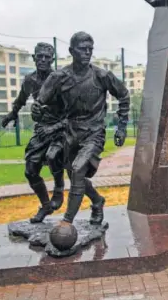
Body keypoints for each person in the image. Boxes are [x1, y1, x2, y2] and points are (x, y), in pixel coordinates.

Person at [34, 32, 130, 226]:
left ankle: (66, 223)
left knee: (78, 170)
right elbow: (39, 106)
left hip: (94, 133)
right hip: (70, 134)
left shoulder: (102, 75)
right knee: (70, 172)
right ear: (71, 51)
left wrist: (121, 127)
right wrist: (36, 110)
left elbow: (124, 95)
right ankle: (97, 200)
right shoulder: (58, 77)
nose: (87, 53)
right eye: (82, 49)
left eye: (90, 49)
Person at [1, 42, 66, 223]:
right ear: (34, 58)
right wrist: (11, 115)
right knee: (30, 170)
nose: (43, 60)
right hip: (42, 130)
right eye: (40, 57)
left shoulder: (60, 79)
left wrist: (57, 126)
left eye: (47, 57)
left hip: (61, 128)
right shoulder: (30, 80)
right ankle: (45, 205)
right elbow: (20, 100)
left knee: (53, 156)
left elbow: (72, 111)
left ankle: (59, 190)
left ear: (52, 59)